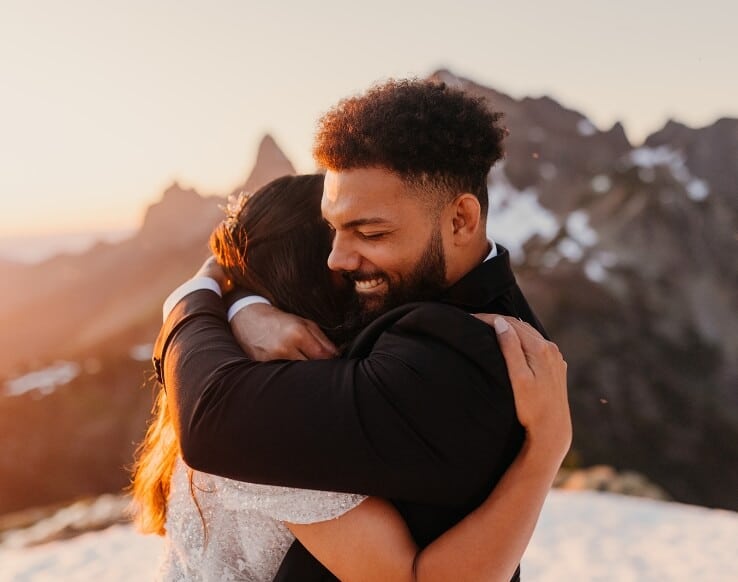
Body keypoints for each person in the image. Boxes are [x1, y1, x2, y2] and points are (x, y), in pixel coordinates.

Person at [153, 79, 568, 580]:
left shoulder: (455, 356)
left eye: (370, 233)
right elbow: (260, 244)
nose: (336, 258)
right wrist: (247, 303)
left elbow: (211, 416)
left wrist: (192, 296)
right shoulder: (425, 287)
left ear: (461, 220)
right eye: (333, 227)